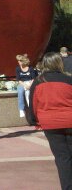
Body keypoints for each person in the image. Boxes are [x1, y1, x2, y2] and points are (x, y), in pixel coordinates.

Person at [27, 52, 72, 190]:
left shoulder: (38, 81)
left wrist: (34, 121)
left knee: (62, 157)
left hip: (50, 123)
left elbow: (33, 104)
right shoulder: (69, 79)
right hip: (70, 120)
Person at [15, 54, 37, 119]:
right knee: (20, 92)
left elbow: (33, 78)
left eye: (20, 61)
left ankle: (31, 108)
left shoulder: (30, 68)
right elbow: (18, 79)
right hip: (22, 83)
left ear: (23, 61)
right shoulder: (18, 69)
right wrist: (24, 85)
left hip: (30, 82)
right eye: (18, 61)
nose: (18, 62)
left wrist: (30, 85)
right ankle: (21, 109)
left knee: (29, 94)